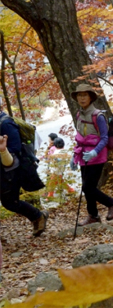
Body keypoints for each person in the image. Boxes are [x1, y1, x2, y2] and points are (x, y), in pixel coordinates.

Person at [70, 84, 113, 226]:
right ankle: (93, 215)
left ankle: (112, 203)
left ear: (90, 97)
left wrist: (94, 152)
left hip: (97, 156)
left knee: (88, 187)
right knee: (86, 187)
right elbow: (80, 136)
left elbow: (105, 138)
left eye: (85, 95)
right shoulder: (79, 114)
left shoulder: (98, 116)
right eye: (79, 95)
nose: (82, 98)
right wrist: (74, 155)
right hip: (83, 155)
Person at [0, 98, 48, 237]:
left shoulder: (6, 123)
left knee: (10, 203)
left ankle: (38, 216)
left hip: (10, 172)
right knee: (10, 202)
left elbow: (15, 148)